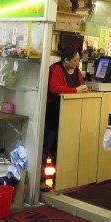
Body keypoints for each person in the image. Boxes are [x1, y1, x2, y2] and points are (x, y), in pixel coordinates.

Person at [42, 46, 88, 184]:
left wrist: (83, 89)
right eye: (75, 60)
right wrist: (75, 90)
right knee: (48, 146)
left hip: (70, 114)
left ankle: (60, 180)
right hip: (54, 113)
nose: (77, 63)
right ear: (66, 60)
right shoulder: (56, 69)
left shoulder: (76, 70)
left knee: (61, 147)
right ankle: (41, 180)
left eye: (78, 60)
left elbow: (81, 85)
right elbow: (54, 88)